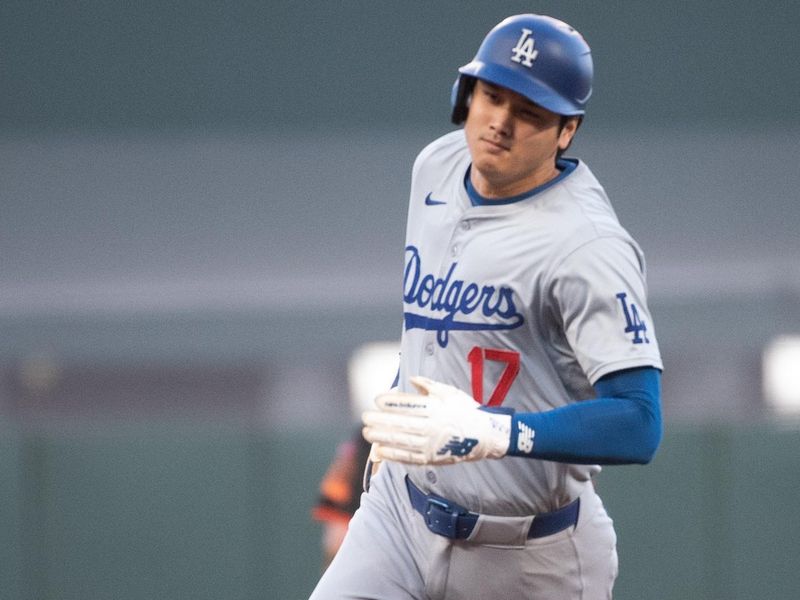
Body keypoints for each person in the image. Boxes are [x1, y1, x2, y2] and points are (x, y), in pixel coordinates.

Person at [309, 13, 663, 600]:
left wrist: (498, 432)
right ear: (464, 95)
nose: (500, 122)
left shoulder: (588, 245)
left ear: (566, 131)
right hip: (399, 516)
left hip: (529, 552)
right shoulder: (437, 167)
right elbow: (435, 324)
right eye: (491, 95)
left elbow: (639, 423)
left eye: (529, 111)